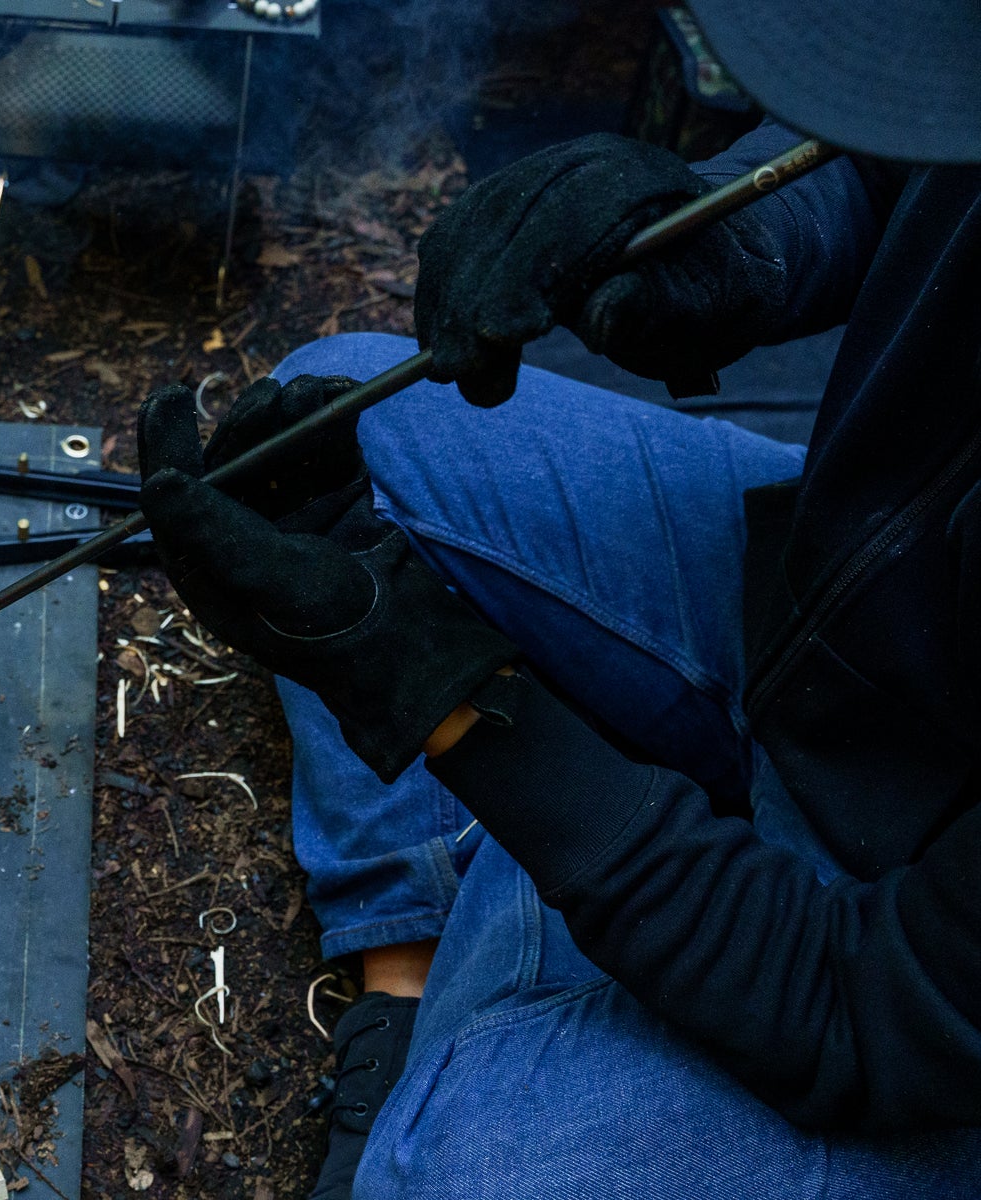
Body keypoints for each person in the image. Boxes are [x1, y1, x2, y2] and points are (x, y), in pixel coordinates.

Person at [136, 0, 981, 1196]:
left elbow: (858, 1009)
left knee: (461, 1171)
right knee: (345, 407)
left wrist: (446, 696)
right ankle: (419, 969)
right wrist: (709, 240)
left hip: (890, 968)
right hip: (835, 619)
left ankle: (575, 879)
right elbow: (900, 160)